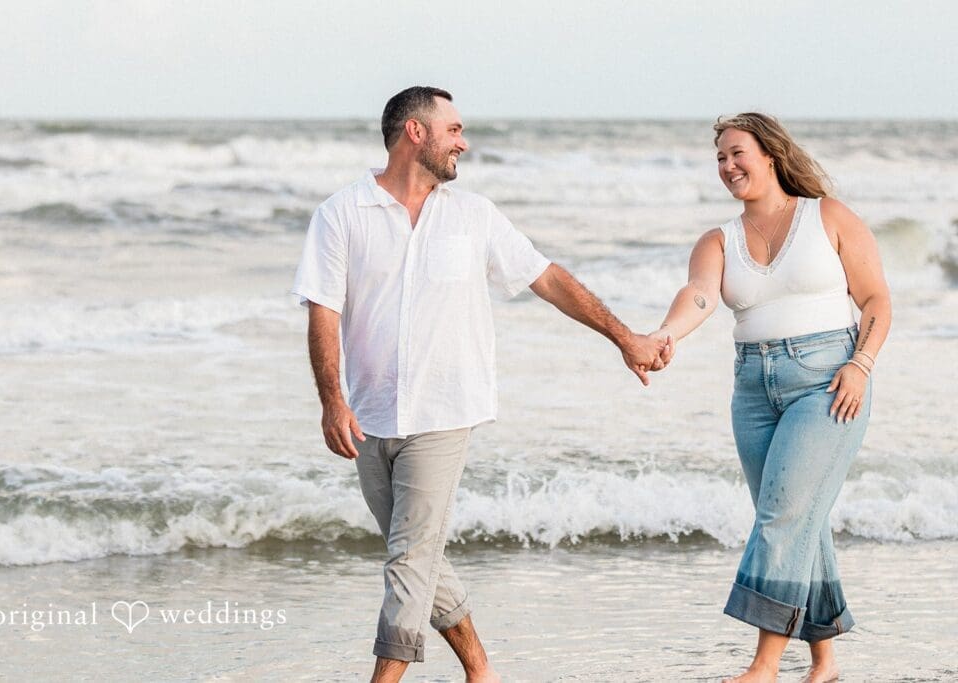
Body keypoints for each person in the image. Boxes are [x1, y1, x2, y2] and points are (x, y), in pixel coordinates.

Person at [292, 86, 669, 683]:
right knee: (419, 557)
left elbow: (548, 279)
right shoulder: (342, 214)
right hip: (369, 414)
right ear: (416, 133)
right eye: (454, 129)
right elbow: (323, 312)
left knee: (408, 559)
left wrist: (624, 336)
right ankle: (482, 670)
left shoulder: (474, 216)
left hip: (445, 410)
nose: (463, 141)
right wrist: (331, 399)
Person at [649, 113, 891, 683]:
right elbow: (701, 295)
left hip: (830, 380)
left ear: (772, 154)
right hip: (753, 390)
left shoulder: (827, 216)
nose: (728, 167)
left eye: (738, 154)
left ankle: (764, 665)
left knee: (783, 515)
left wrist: (861, 364)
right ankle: (825, 662)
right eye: (720, 159)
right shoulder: (718, 239)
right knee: (797, 517)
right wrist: (666, 334)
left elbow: (877, 297)